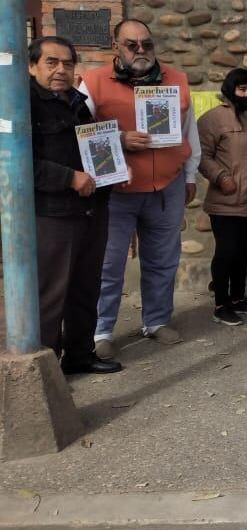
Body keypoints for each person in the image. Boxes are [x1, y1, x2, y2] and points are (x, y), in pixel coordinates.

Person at [80, 20, 200, 359]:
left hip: (167, 187)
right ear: (116, 46)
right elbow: (78, 133)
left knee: (163, 259)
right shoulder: (92, 83)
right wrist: (119, 141)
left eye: (147, 44)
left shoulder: (177, 81)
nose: (141, 51)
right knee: (108, 263)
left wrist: (190, 176)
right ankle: (101, 330)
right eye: (132, 45)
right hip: (115, 192)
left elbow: (190, 135)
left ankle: (157, 321)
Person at [28, 36, 122, 375]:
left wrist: (113, 172)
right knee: (51, 294)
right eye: (51, 62)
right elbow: (18, 161)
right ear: (32, 66)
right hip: (53, 213)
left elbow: (93, 147)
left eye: (67, 63)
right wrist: (69, 178)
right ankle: (47, 370)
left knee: (86, 286)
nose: (60, 70)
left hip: (91, 209)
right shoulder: (21, 104)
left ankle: (80, 354)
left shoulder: (77, 102)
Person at [198, 68, 247, 327]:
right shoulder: (213, 119)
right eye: (242, 89)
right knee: (226, 252)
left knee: (241, 252)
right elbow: (202, 156)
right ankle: (221, 303)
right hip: (225, 200)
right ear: (231, 90)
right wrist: (221, 178)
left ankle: (238, 298)